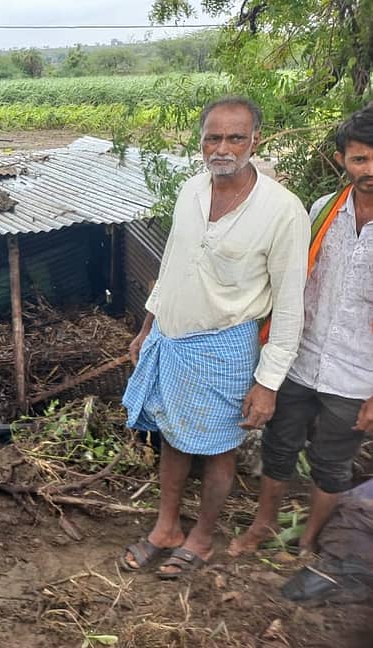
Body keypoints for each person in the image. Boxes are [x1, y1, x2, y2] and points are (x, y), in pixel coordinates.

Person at [119, 96, 311, 578]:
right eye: (212, 137)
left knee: (217, 447)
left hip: (226, 345)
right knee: (171, 438)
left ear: (255, 141)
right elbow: (172, 264)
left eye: (235, 138)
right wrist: (148, 326)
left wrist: (267, 383)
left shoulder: (283, 211)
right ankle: (166, 528)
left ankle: (202, 538)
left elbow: (290, 304)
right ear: (200, 140)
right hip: (171, 336)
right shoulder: (190, 190)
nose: (222, 148)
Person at [228, 105, 373, 557]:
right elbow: (293, 287)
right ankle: (263, 527)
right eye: (359, 159)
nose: (370, 170)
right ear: (340, 161)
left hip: (357, 373)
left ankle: (310, 542)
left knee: (332, 463)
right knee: (279, 446)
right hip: (300, 360)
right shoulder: (320, 213)